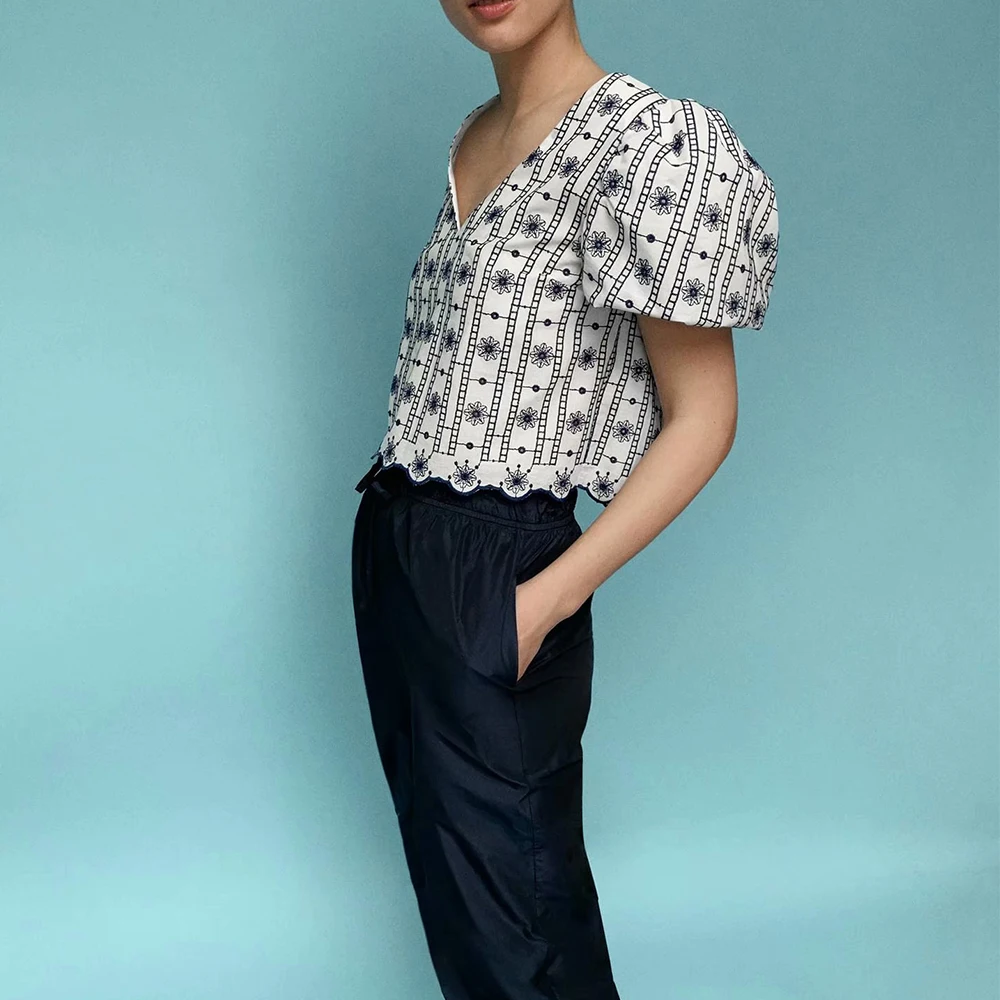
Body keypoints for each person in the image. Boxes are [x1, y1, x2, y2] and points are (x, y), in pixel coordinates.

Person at [351, 1, 780, 997]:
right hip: (397, 542)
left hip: (502, 562)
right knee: (462, 910)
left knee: (524, 922)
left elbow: (704, 418)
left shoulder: (652, 143)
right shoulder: (474, 134)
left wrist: (544, 600)